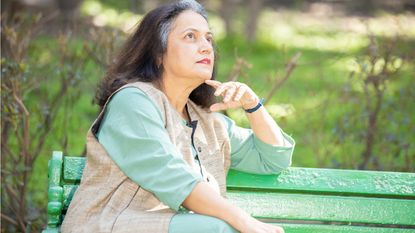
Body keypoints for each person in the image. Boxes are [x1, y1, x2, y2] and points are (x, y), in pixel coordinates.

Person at [61, 0, 295, 232]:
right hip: (108, 224)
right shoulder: (132, 102)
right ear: (158, 55)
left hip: (180, 227)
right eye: (190, 36)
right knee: (217, 228)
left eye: (208, 38)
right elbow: (172, 176)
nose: (205, 47)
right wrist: (245, 221)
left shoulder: (205, 120)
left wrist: (253, 106)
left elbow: (274, 158)